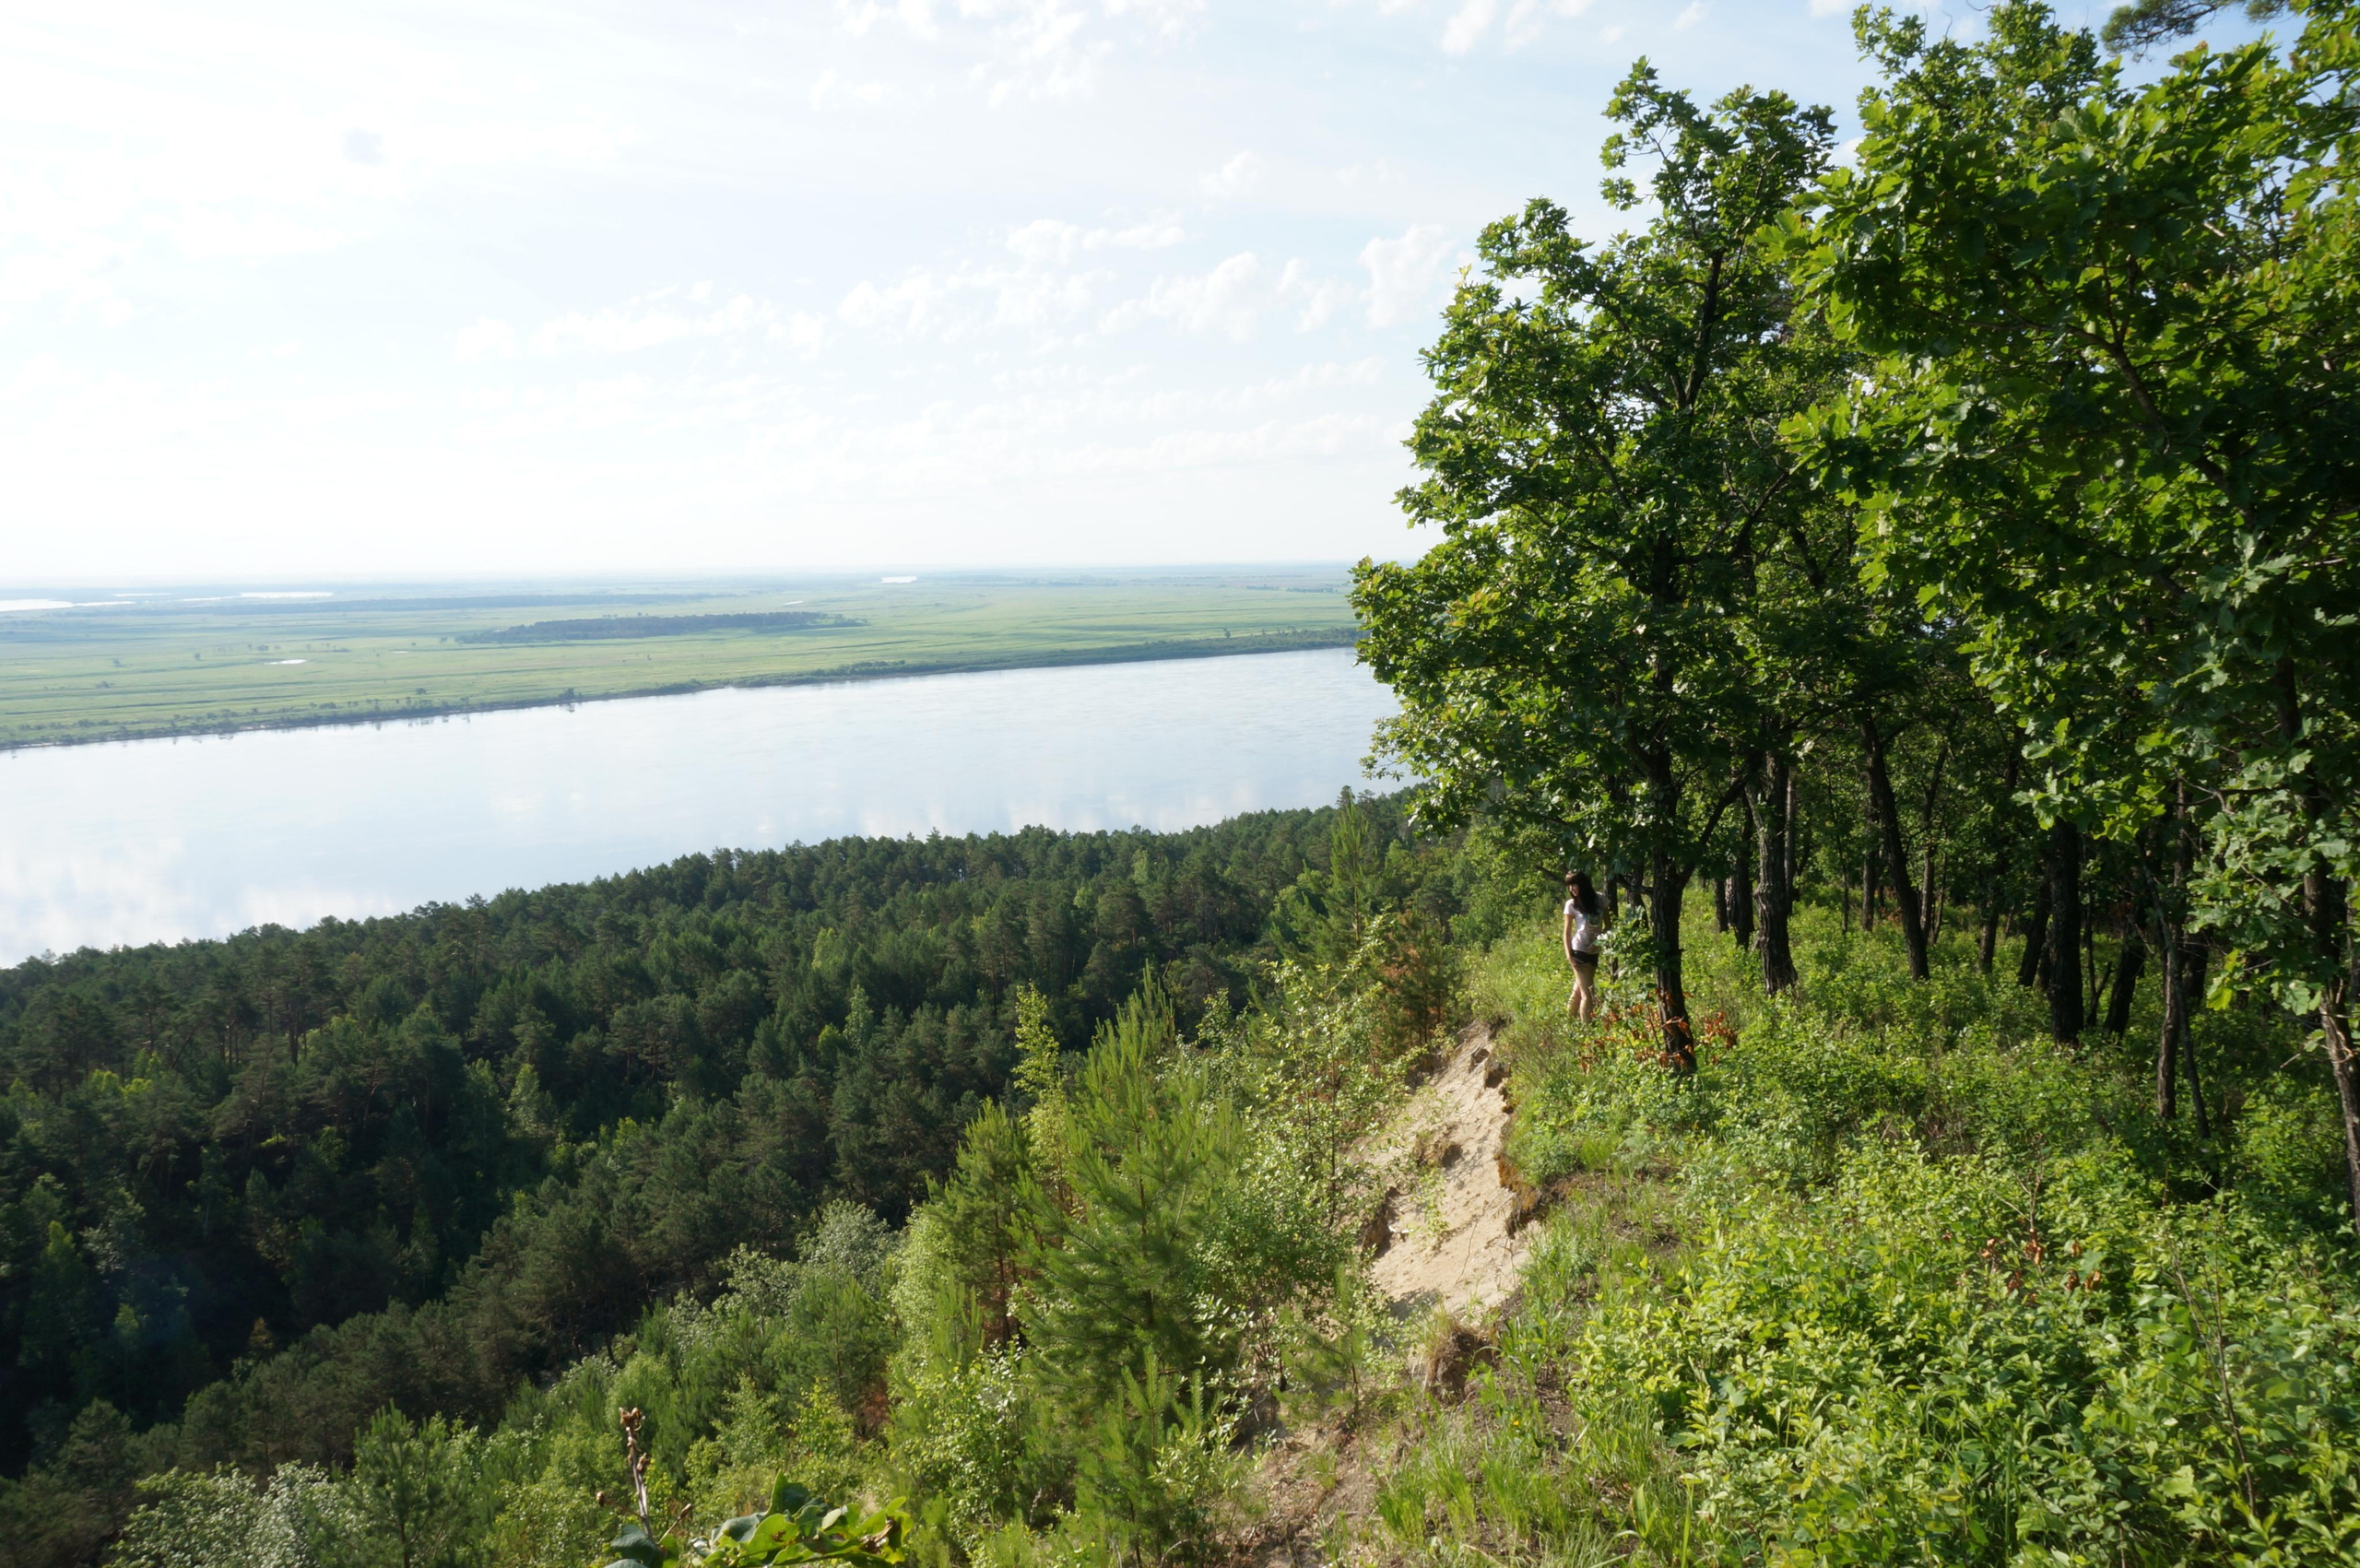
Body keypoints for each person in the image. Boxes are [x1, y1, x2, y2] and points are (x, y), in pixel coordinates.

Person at [1563, 869, 1603, 1022]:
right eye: (1569, 886)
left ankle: (1569, 1024)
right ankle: (1587, 1031)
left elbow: (1608, 926)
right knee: (1589, 994)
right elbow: (1566, 933)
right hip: (1578, 950)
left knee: (1578, 991)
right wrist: (1569, 955)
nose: (1571, 889)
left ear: (1583, 884)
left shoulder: (1599, 899)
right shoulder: (1571, 904)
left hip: (1594, 950)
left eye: (1574, 884)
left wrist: (1599, 942)